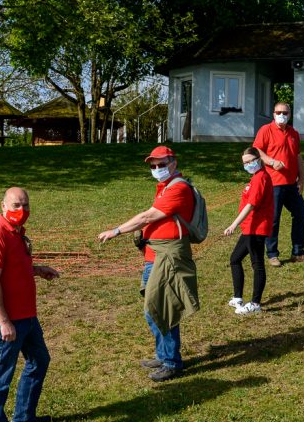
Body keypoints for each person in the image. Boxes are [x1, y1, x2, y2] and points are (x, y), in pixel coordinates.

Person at [96, 146, 200, 382]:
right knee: (153, 310)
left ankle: (172, 362)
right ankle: (164, 355)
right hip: (154, 256)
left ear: (173, 163)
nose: (156, 169)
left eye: (161, 164)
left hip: (166, 257)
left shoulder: (178, 188)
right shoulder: (165, 187)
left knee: (163, 309)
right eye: (152, 166)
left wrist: (116, 231)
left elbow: (147, 217)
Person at [0, 187, 60, 422]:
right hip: (8, 322)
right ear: (2, 206)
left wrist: (38, 270)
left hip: (27, 316)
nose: (21, 210)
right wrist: (4, 321)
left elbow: (16, 269)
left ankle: (24, 415)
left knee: (40, 360)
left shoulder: (18, 235)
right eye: (15, 204)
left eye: (25, 205)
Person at [253, 101, 304, 266]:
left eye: (285, 113)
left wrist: (301, 179)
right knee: (273, 218)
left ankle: (298, 252)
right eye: (279, 112)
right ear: (273, 114)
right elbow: (257, 150)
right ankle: (272, 254)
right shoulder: (265, 130)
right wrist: (271, 162)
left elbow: (298, 157)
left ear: (290, 114)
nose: (282, 115)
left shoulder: (294, 133)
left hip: (291, 184)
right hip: (273, 183)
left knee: (301, 212)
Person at [222, 147, 278, 315]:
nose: (247, 165)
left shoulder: (261, 178)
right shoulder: (256, 177)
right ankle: (238, 297)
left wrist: (233, 225)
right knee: (235, 259)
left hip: (256, 229)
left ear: (258, 159)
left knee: (257, 264)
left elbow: (251, 204)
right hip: (249, 228)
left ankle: (255, 303)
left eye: (250, 161)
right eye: (245, 163)